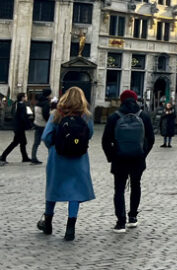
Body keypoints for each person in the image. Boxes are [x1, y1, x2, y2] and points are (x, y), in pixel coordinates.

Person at [37, 87, 95, 241]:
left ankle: (47, 223)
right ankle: (70, 229)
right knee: (75, 193)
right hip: (79, 159)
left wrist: (53, 148)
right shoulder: (86, 116)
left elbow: (46, 136)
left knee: (53, 189)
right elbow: (90, 134)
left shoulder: (57, 114)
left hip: (58, 157)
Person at [102, 89, 155, 232]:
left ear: (121, 101)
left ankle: (120, 222)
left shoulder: (114, 117)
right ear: (136, 100)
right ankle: (132, 217)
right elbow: (151, 139)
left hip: (119, 159)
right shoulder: (143, 116)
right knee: (135, 186)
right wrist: (143, 154)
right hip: (138, 158)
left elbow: (105, 140)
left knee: (119, 190)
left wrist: (111, 156)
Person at [1, 92, 31, 165]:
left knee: (22, 142)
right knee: (16, 143)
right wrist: (28, 124)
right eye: (25, 96)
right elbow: (22, 117)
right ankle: (3, 156)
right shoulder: (22, 105)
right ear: (22, 97)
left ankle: (25, 157)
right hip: (20, 127)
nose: (26, 97)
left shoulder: (16, 104)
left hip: (17, 126)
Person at [30, 89, 51, 164]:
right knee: (49, 142)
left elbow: (34, 114)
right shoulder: (46, 103)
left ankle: (33, 157)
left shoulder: (37, 103)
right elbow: (45, 114)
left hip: (37, 124)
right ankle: (52, 158)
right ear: (48, 95)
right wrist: (49, 121)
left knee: (36, 143)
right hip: (44, 125)